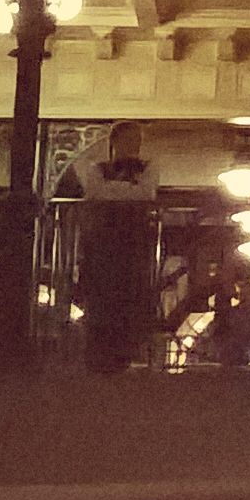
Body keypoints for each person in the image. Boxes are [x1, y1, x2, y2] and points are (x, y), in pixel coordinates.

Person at [75, 123, 160, 372]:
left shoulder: (148, 167)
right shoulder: (97, 169)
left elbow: (146, 193)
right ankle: (101, 351)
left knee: (129, 294)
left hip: (133, 242)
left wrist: (113, 190)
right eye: (128, 139)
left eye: (136, 140)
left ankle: (123, 352)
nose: (133, 145)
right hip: (104, 242)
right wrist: (129, 190)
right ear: (115, 142)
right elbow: (96, 192)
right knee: (103, 294)